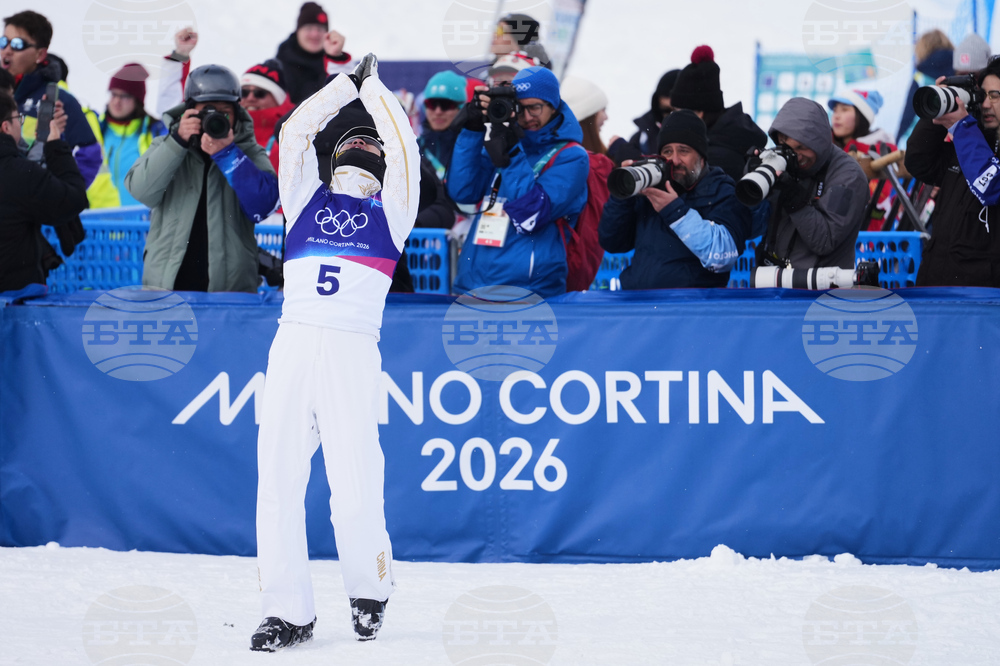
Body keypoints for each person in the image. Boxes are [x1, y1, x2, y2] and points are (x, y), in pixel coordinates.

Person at [251, 53, 419, 651]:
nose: (367, 149)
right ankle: (287, 610)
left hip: (350, 348)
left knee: (353, 482)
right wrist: (342, 86)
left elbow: (404, 150)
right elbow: (295, 131)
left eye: (372, 145)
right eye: (355, 141)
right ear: (335, 155)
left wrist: (375, 94)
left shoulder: (393, 211)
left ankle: (368, 589)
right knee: (277, 481)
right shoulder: (302, 198)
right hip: (293, 339)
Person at [125, 64, 279, 293]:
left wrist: (229, 156)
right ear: (189, 111)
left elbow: (264, 205)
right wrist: (177, 142)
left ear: (237, 114)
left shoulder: (248, 152)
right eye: (207, 111)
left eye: (224, 112)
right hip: (167, 289)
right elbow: (140, 190)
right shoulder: (168, 145)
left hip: (229, 294)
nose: (215, 119)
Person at [447, 66, 589, 298]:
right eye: (520, 108)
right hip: (473, 284)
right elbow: (462, 191)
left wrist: (511, 153)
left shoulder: (571, 156)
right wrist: (472, 132)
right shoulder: (502, 141)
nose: (526, 117)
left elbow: (531, 214)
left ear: (553, 105)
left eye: (535, 107)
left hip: (527, 290)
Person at [599, 110, 751, 288]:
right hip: (639, 304)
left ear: (701, 157)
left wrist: (675, 211)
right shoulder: (652, 188)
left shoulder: (722, 190)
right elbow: (612, 242)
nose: (675, 160)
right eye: (667, 151)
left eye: (684, 151)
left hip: (691, 307)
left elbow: (721, 256)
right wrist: (623, 195)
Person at [905, 59, 1000, 286]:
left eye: (995, 96)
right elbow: (918, 161)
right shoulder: (969, 147)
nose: (985, 104)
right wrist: (938, 108)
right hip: (935, 284)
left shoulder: (970, 142)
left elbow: (991, 187)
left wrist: (961, 127)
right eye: (982, 95)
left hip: (980, 302)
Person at [754, 97, 870, 270]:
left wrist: (795, 200)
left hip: (821, 288)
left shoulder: (849, 176)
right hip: (772, 280)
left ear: (820, 142)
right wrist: (754, 182)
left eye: (802, 147)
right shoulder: (778, 161)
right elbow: (751, 230)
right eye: (787, 147)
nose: (796, 156)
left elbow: (826, 240)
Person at [0, 92, 87, 292]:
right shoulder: (20, 174)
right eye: (17, 119)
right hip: (13, 302)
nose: (20, 124)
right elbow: (73, 200)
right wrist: (55, 146)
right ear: (6, 127)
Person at [3, 10, 101, 186]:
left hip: (33, 205)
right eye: (3, 42)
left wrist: (62, 196)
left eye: (17, 44)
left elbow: (90, 155)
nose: (7, 50)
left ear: (40, 54)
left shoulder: (58, 100)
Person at [666, 45, 767, 183]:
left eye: (677, 112)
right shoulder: (732, 135)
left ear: (699, 113)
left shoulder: (715, 156)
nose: (673, 118)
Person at [87, 63, 167, 208]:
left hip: (140, 224)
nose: (117, 101)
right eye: (113, 94)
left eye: (125, 96)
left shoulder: (155, 132)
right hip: (98, 224)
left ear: (137, 100)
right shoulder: (96, 131)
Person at [828, 89, 897, 231]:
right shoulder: (824, 144)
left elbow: (879, 195)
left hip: (866, 236)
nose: (836, 116)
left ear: (862, 117)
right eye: (835, 111)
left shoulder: (881, 150)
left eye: (845, 110)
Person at [275, 2, 355, 104]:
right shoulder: (279, 65)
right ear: (298, 31)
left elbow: (346, 97)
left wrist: (335, 58)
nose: (315, 34)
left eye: (320, 29)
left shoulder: (335, 63)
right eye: (309, 28)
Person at [416, 69, 466, 229]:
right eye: (431, 104)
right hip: (426, 238)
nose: (437, 111)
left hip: (467, 230)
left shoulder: (471, 148)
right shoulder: (415, 147)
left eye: (446, 105)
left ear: (461, 108)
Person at [897, 30, 955, 146]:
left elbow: (909, 116)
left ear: (922, 49)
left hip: (922, 141)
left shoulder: (920, 77)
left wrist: (897, 140)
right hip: (954, 137)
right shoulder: (959, 71)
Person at [608, 69, 678, 163]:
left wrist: (629, 155)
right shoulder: (644, 135)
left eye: (676, 112)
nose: (670, 117)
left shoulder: (697, 134)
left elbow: (677, 169)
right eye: (666, 111)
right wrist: (622, 151)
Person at [240, 59, 295, 171]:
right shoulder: (224, 130)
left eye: (259, 93)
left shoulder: (294, 136)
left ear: (278, 100)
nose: (250, 98)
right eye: (244, 92)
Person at [561, 76, 609, 155]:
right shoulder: (587, 160)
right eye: (603, 110)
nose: (606, 117)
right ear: (589, 115)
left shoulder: (561, 153)